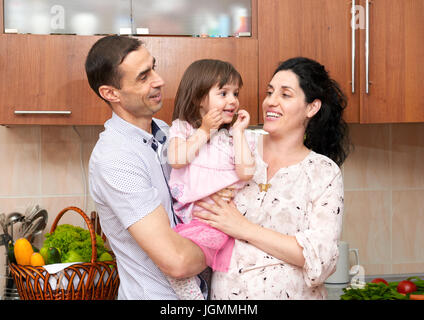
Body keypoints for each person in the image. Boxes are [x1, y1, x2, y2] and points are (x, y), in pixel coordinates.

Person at [195, 57, 351, 299]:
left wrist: (243, 228)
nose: (270, 101)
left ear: (311, 108)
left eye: (285, 94)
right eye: (270, 92)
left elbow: (320, 258)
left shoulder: (323, 172)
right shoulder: (234, 145)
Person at [85, 35, 207, 300]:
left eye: (154, 67)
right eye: (143, 77)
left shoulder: (166, 132)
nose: (159, 80)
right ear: (110, 93)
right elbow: (177, 261)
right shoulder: (114, 158)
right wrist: (229, 242)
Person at [166, 59, 256, 299]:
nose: (233, 100)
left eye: (235, 93)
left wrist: (238, 134)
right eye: (223, 93)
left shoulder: (230, 137)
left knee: (174, 260)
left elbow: (246, 172)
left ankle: (193, 299)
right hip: (192, 220)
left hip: (216, 221)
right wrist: (204, 131)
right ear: (198, 98)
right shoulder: (183, 129)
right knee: (175, 260)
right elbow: (176, 159)